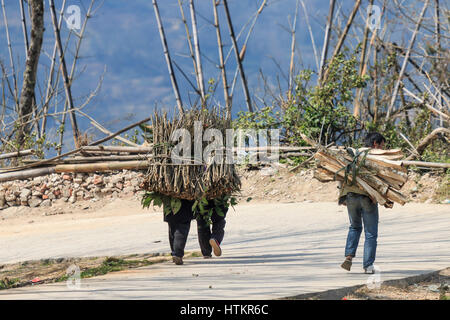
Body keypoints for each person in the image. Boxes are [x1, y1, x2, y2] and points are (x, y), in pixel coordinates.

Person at [339, 132, 386, 274]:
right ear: (375, 144)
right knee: (371, 233)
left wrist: (343, 196)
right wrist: (377, 195)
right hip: (367, 197)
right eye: (382, 145)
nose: (383, 148)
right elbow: (380, 179)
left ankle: (349, 257)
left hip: (350, 196)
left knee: (354, 227)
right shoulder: (375, 156)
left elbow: (342, 173)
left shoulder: (353, 153)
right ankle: (368, 266)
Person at [164, 199, 195, 265]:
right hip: (185, 203)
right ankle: (177, 254)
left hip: (169, 201)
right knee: (182, 229)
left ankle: (174, 253)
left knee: (172, 228)